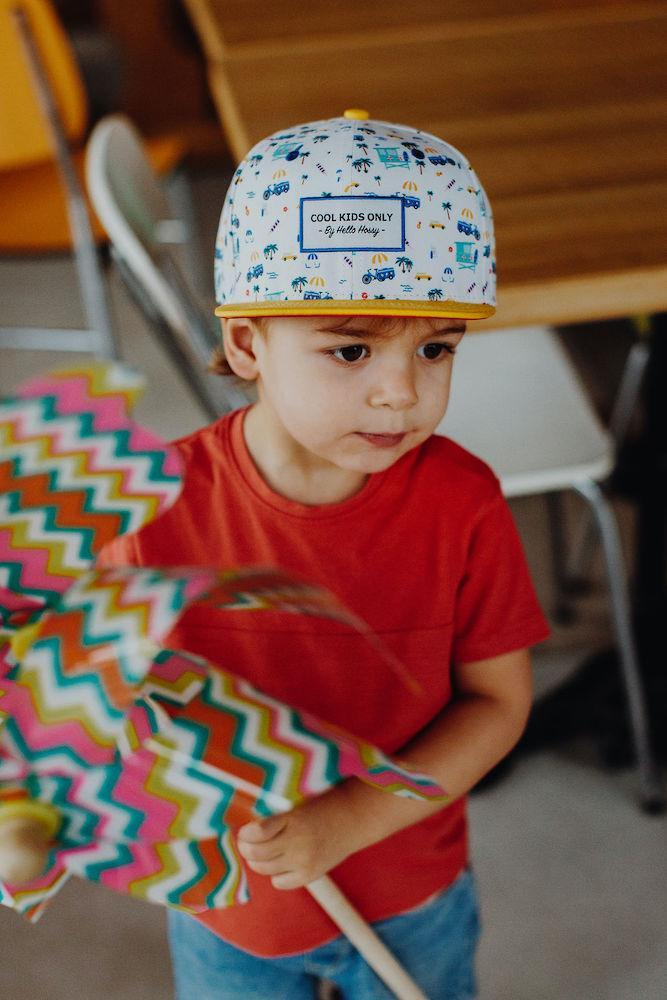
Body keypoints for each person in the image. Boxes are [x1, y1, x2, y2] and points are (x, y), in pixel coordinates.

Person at [99, 110, 549, 999]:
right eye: (350, 348)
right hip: (230, 910)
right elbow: (103, 703)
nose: (402, 390)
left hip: (411, 891)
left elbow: (497, 704)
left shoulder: (462, 502)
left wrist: (351, 819)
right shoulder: (148, 514)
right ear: (245, 343)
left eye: (435, 347)